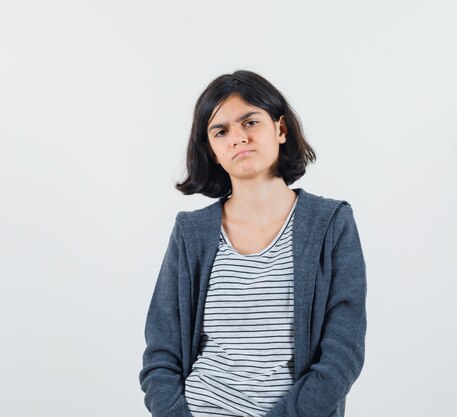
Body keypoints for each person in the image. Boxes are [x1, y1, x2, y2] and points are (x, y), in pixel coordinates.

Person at [139, 70, 367, 417]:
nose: (237, 138)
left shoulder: (331, 223)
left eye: (250, 122)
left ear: (280, 129)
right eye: (221, 131)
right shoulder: (191, 232)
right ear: (213, 150)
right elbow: (161, 352)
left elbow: (342, 354)